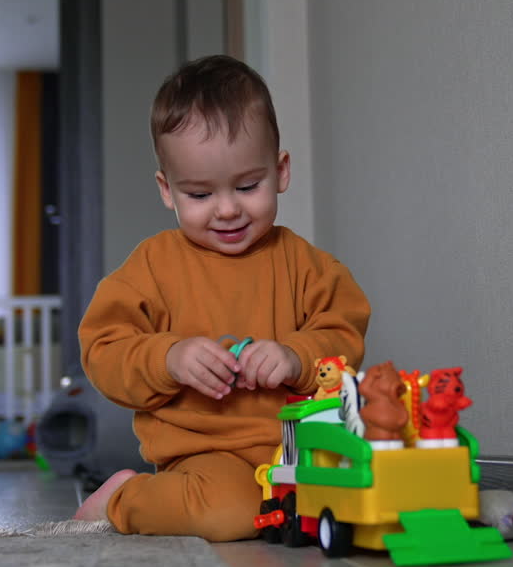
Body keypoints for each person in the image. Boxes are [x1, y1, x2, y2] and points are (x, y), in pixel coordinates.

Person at [71, 55, 371, 541]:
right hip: (205, 456)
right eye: (199, 195)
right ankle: (122, 499)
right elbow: (103, 348)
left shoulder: (306, 264)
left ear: (281, 171)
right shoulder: (153, 265)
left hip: (305, 445)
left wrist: (297, 357)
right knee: (230, 514)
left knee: (374, 483)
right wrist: (168, 357)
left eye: (248, 186)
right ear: (168, 191)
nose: (228, 209)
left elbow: (345, 331)